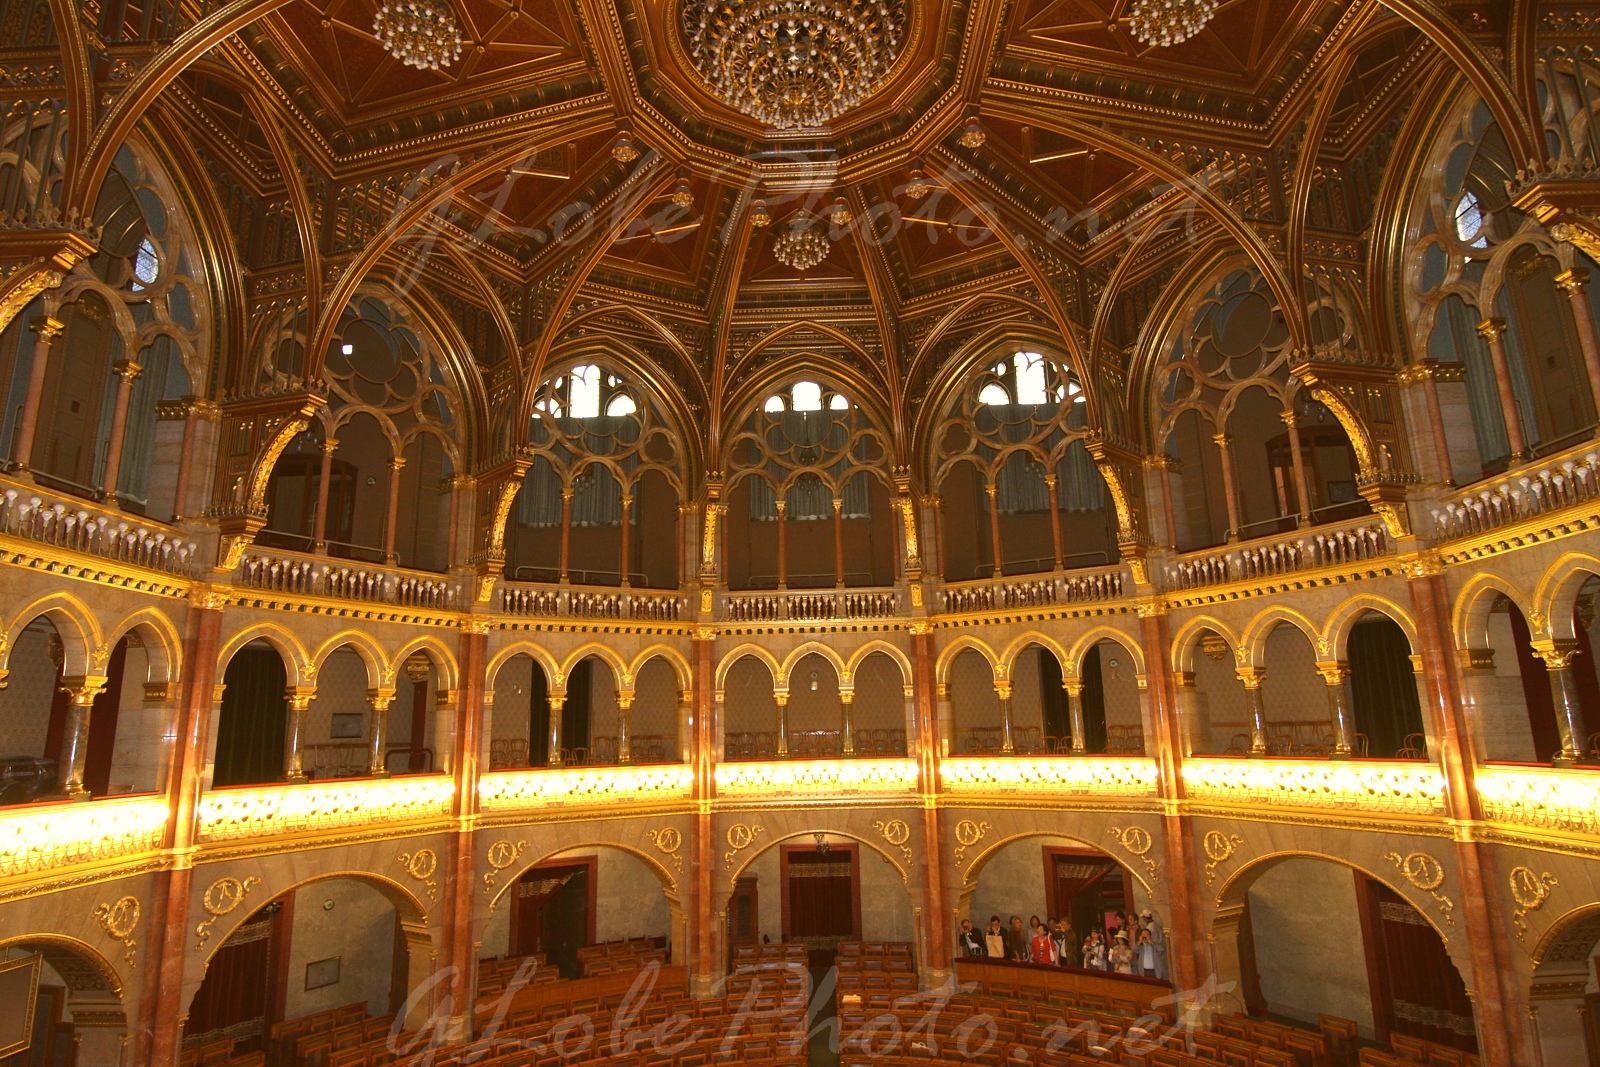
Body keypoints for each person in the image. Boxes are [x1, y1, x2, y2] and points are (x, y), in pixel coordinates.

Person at [1140, 909, 1168, 980]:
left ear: (1144, 918)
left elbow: (1147, 942)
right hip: (1160, 951)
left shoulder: (1149, 928)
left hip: (1153, 953)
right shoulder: (1158, 925)